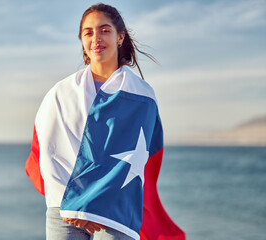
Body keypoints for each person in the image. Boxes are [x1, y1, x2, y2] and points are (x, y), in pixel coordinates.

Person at [25, 3, 186, 240]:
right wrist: (73, 204)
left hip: (115, 206)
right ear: (81, 40)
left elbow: (136, 159)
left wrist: (93, 203)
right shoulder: (60, 93)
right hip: (66, 208)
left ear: (120, 37)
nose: (96, 38)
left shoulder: (142, 95)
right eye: (88, 32)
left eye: (104, 30)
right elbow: (50, 154)